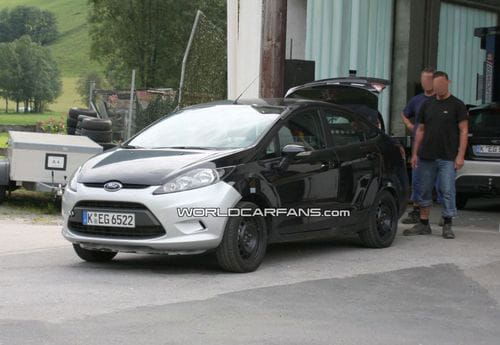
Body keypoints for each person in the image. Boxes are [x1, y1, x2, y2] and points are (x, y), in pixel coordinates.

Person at [403, 71, 468, 239]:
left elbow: (463, 131)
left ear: (448, 83)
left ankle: (447, 224)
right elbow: (420, 130)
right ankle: (424, 224)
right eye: (436, 85)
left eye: (441, 84)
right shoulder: (427, 104)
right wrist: (415, 153)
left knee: (447, 190)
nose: (438, 88)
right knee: (423, 190)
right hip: (426, 156)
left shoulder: (457, 105)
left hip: (447, 157)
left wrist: (460, 155)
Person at [400, 68, 436, 224]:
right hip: (419, 147)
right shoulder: (416, 100)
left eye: (428, 80)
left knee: (441, 184)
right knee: (417, 180)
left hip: (438, 147)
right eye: (423, 80)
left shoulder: (440, 99)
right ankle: (415, 211)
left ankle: (445, 216)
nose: (425, 83)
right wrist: (409, 125)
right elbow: (404, 113)